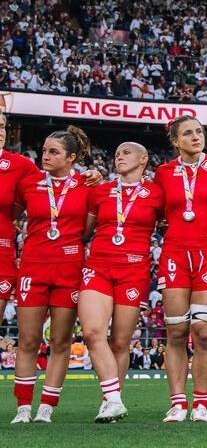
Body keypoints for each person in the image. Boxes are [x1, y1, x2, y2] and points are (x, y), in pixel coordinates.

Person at [154, 116, 207, 423]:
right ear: (176, 141)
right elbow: (157, 208)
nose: (196, 136)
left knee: (204, 331)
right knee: (176, 332)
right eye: (188, 133)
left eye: (199, 131)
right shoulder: (163, 172)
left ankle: (202, 403)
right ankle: (178, 403)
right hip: (175, 252)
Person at [11, 126, 93, 424]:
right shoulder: (29, 183)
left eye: (53, 152)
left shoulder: (87, 185)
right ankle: (22, 408)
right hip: (33, 265)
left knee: (60, 341)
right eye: (44, 150)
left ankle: (46, 407)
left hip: (69, 268)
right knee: (28, 340)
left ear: (71, 158)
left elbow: (88, 229)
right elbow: (10, 213)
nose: (45, 156)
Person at [80, 142, 166, 422]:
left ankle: (109, 403)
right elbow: (83, 232)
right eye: (116, 153)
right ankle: (115, 399)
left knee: (119, 341)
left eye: (125, 153)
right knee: (93, 333)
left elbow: (169, 225)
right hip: (99, 267)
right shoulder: (100, 191)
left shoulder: (157, 194)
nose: (119, 157)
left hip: (134, 271)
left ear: (144, 159)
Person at [0, 113, 39, 324]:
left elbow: (54, 183)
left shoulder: (20, 165)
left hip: (2, 252)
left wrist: (88, 176)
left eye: (2, 126)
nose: (0, 131)